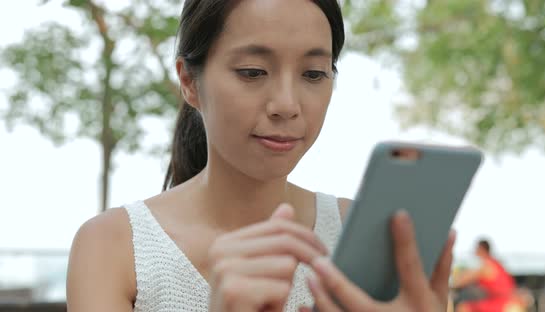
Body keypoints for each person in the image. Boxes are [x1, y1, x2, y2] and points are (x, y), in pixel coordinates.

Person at [66, 1, 456, 311]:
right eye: (253, 72)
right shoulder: (114, 246)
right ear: (188, 81)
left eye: (314, 74)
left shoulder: (368, 240)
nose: (286, 105)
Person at [454, 239, 517, 312]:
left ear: (481, 249)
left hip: (502, 304)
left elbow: (461, 281)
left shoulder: (486, 266)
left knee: (463, 307)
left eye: (476, 248)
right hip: (508, 302)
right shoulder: (495, 263)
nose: (474, 250)